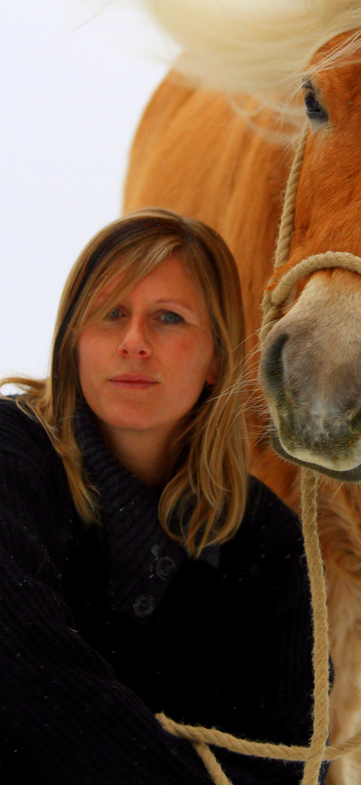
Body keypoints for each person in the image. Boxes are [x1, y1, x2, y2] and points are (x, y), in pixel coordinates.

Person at [0, 209, 324, 785]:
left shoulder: (267, 541)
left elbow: (292, 757)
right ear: (75, 341)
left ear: (217, 358)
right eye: (110, 314)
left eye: (169, 319)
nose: (134, 343)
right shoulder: (9, 457)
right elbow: (23, 671)